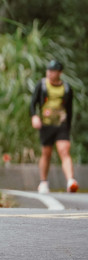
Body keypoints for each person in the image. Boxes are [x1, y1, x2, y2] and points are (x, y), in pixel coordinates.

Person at [30, 60, 78, 193]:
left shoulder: (66, 88)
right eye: (48, 70)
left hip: (61, 124)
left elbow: (69, 109)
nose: (49, 73)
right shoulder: (42, 85)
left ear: (59, 73)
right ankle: (43, 182)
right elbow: (33, 103)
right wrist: (34, 116)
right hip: (46, 124)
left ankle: (70, 180)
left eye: (53, 71)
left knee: (64, 150)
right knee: (46, 153)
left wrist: (68, 127)